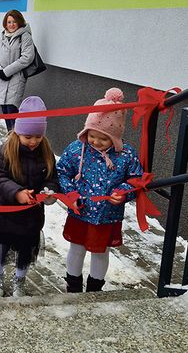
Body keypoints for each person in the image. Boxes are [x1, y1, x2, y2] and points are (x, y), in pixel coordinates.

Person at [57, 88, 143, 293]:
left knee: (100, 252)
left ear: (115, 138)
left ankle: (95, 289)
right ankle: (73, 285)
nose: (95, 142)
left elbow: (136, 179)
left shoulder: (126, 155)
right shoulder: (77, 149)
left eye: (103, 139)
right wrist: (71, 194)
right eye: (91, 136)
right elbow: (61, 172)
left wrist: (123, 191)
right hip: (80, 210)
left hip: (106, 215)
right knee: (76, 248)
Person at [0, 96, 58, 298]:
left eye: (37, 136)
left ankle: (20, 280)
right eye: (28, 136)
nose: (33, 141)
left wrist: (48, 192)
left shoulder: (46, 152)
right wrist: (16, 192)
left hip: (31, 217)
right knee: (0, 249)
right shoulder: (5, 151)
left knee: (25, 252)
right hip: (6, 214)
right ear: (18, 132)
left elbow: (52, 178)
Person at [0, 9, 35, 132]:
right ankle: (10, 140)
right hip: (1, 80)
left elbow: (27, 57)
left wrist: (7, 71)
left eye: (14, 21)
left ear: (19, 22)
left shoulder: (25, 36)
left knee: (12, 111)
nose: (11, 25)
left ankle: (15, 142)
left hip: (16, 79)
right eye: (9, 22)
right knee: (5, 112)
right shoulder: (3, 36)